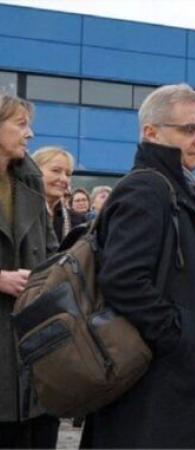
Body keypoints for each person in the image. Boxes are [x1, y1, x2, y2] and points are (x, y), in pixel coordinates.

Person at [80, 84, 195, 448]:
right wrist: (179, 336)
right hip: (158, 388)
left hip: (179, 382)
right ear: (151, 133)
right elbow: (123, 279)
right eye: (188, 130)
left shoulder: (180, 187)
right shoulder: (147, 190)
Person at [0, 94, 59, 448]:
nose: (31, 134)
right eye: (21, 124)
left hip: (35, 343)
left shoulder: (30, 181)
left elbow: (51, 249)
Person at [32, 147, 84, 243]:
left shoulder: (78, 221)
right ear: (34, 171)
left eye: (68, 174)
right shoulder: (16, 214)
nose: (64, 179)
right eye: (56, 171)